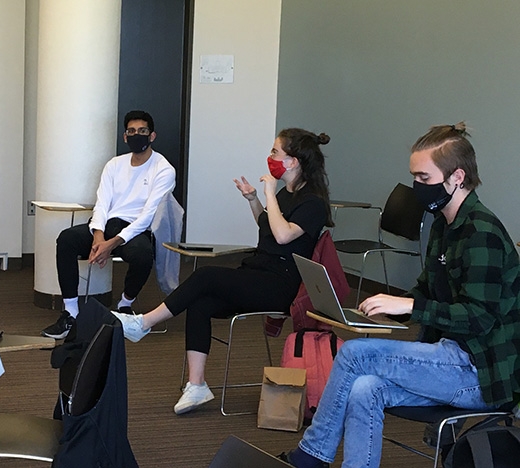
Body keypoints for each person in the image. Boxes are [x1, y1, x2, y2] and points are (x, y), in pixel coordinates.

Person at [279, 123, 520, 468]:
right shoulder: (443, 224)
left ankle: (311, 456)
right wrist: (387, 309)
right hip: (448, 359)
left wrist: (409, 304)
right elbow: (425, 290)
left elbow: (479, 317)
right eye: (415, 178)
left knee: (354, 354)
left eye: (423, 178)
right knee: (364, 389)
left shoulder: (482, 233)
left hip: (479, 373)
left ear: (456, 177)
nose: (416, 187)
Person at [113, 128, 333, 414]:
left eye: (275, 152)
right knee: (200, 303)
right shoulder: (288, 194)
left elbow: (282, 236)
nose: (270, 157)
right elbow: (267, 228)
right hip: (259, 272)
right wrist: (254, 200)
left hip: (280, 286)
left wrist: (269, 194)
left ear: (293, 161)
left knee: (206, 275)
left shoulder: (312, 202)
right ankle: (197, 386)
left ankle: (144, 323)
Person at [40, 110, 176, 339]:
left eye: (142, 131)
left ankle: (124, 306)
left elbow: (147, 216)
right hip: (107, 226)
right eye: (131, 132)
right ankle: (71, 313)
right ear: (125, 137)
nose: (136, 135)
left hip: (135, 231)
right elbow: (101, 204)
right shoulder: (114, 165)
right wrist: (98, 238)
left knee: (143, 255)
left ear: (152, 136)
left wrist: (110, 244)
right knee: (66, 239)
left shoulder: (163, 169)